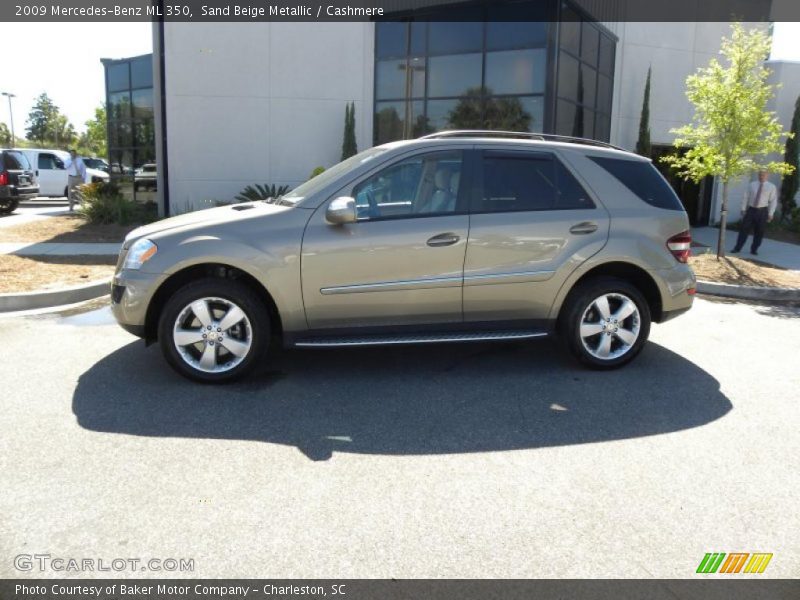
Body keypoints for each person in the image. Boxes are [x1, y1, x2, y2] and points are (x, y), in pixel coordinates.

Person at [731, 170, 777, 256]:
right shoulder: (752, 185)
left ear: (767, 176)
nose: (761, 176)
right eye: (760, 174)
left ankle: (754, 249)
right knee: (744, 229)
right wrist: (743, 208)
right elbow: (746, 197)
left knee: (759, 231)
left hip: (762, 211)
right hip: (751, 210)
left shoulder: (771, 187)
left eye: (763, 175)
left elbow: (773, 201)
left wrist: (771, 213)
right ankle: (737, 248)